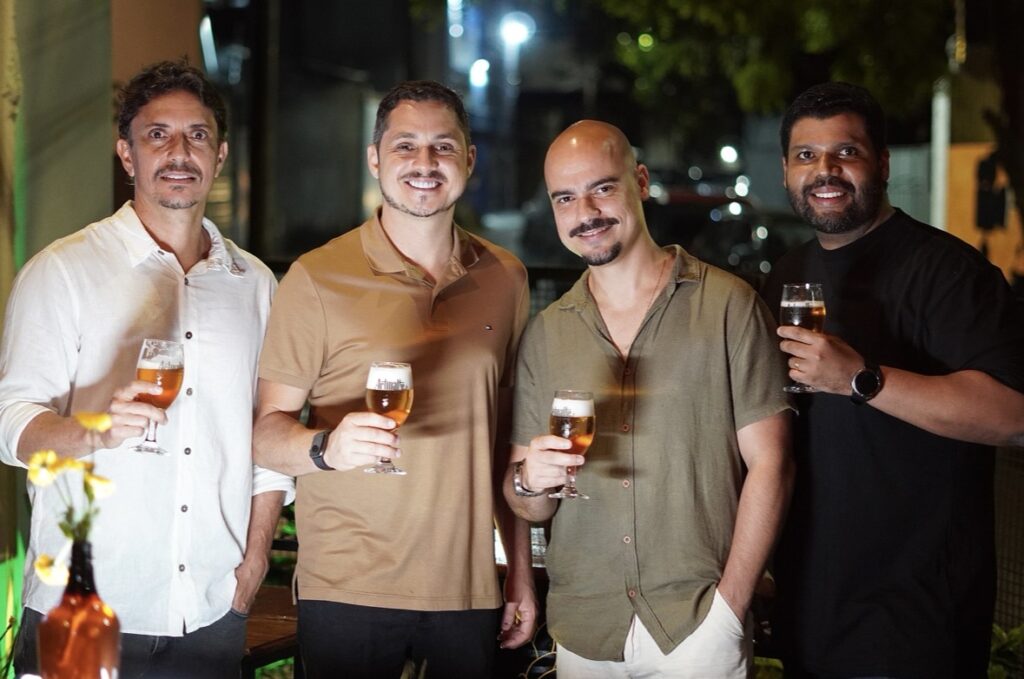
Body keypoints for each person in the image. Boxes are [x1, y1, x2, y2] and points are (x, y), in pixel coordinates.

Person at [0, 60, 294, 678]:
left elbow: (269, 438)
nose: (179, 152)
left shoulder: (256, 284)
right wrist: (93, 431)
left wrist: (255, 561)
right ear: (126, 155)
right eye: (157, 135)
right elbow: (11, 425)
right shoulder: (63, 271)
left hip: (211, 608)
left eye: (197, 135)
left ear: (220, 155)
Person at [252, 80, 537, 678]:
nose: (425, 163)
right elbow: (265, 434)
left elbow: (504, 439)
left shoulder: (506, 277)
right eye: (405, 145)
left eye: (443, 146)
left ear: (469, 160)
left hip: (467, 586)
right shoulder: (316, 278)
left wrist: (519, 571)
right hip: (347, 585)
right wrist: (326, 448)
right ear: (375, 159)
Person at [504, 120, 793, 678]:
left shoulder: (729, 306)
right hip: (585, 627)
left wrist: (730, 608)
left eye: (602, 188)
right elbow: (530, 506)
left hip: (698, 624)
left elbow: (773, 464)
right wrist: (528, 481)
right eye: (565, 198)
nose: (585, 211)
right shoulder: (546, 333)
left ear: (639, 181)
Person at [763, 82, 1024, 678]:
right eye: (806, 155)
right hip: (810, 604)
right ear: (785, 172)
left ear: (881, 163)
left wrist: (862, 380)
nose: (825, 170)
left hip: (913, 619)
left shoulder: (949, 272)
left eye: (846, 152)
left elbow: (1014, 417)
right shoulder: (786, 273)